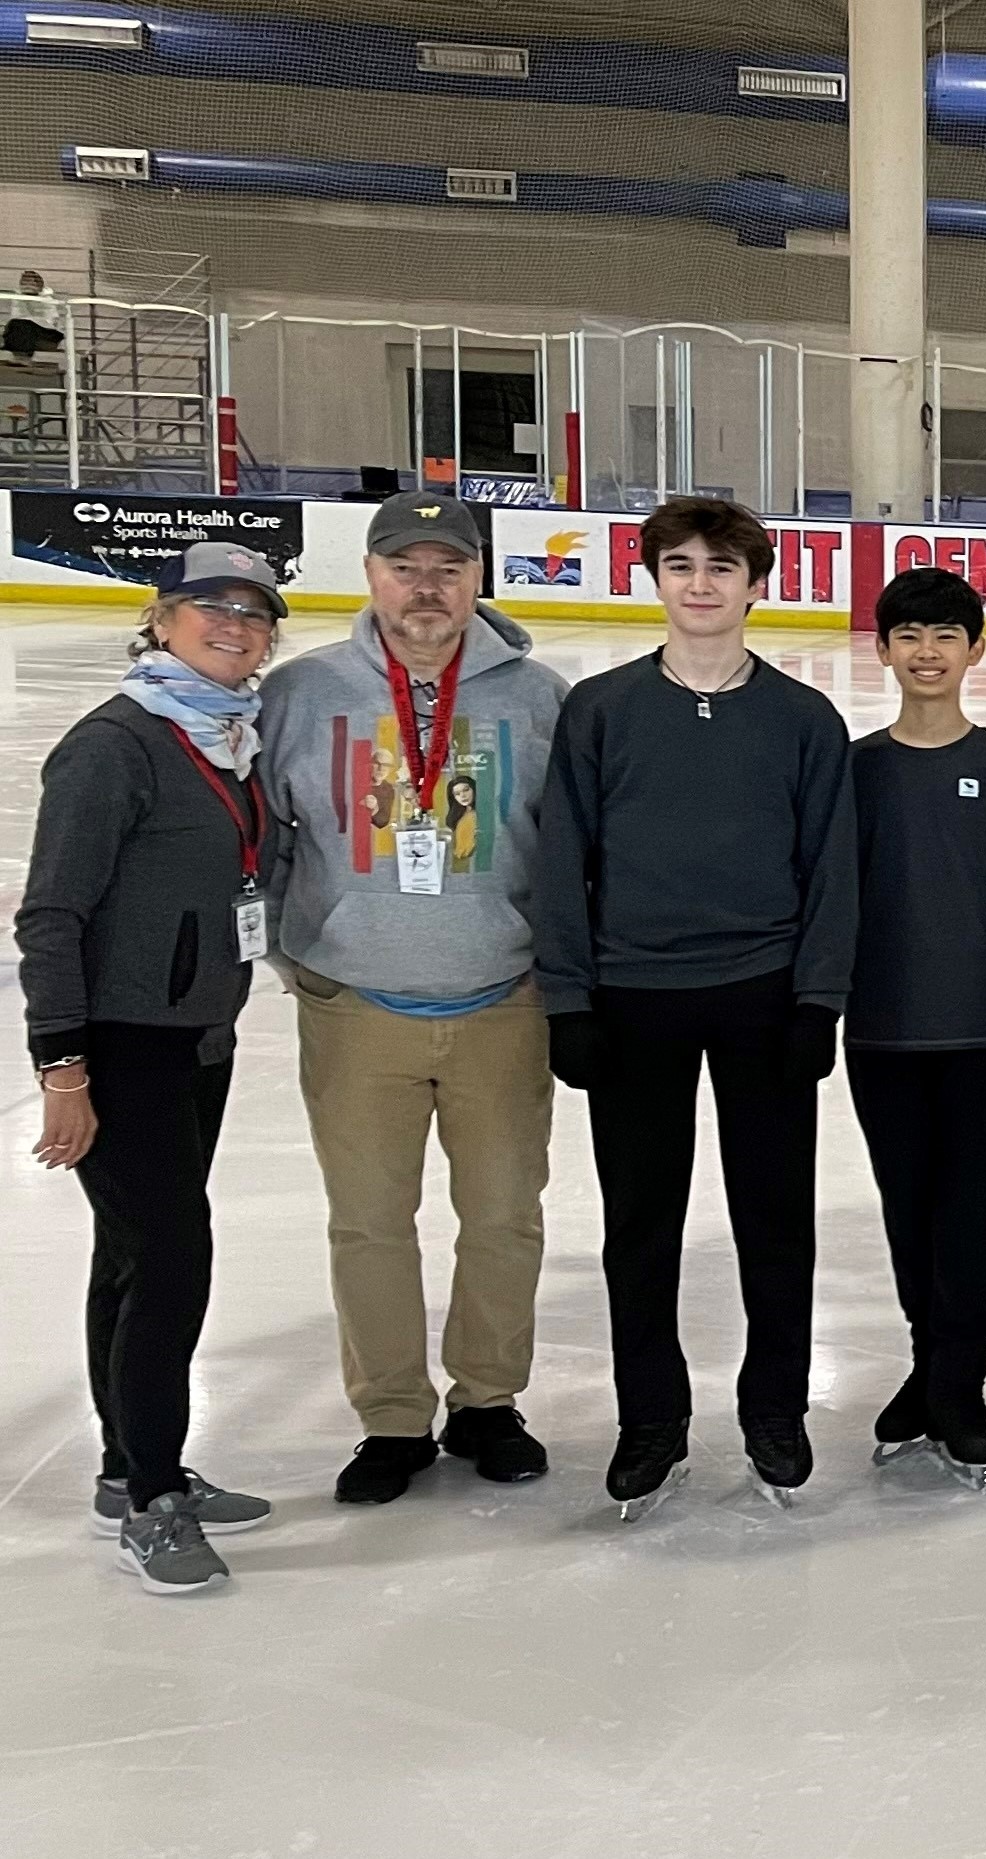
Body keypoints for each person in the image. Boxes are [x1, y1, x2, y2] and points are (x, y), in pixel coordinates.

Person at [534, 495, 860, 1517]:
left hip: (761, 995)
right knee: (641, 1221)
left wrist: (818, 997)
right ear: (656, 580)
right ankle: (651, 1416)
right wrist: (568, 996)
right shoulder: (600, 710)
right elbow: (561, 859)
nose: (703, 583)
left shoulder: (804, 720)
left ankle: (775, 1406)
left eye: (723, 566)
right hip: (634, 997)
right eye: (681, 565)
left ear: (757, 583)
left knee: (774, 1216)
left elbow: (832, 870)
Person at [258, 491, 571, 1504]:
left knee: (502, 1216)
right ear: (372, 573)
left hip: (501, 1001)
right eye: (405, 566)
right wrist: (303, 954)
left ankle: (486, 1400)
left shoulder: (538, 697)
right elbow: (261, 838)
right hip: (356, 1007)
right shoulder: (302, 693)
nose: (425, 587)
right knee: (369, 1222)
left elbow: (574, 851)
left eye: (448, 567)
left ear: (479, 577)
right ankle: (391, 1415)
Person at [20, 543, 288, 1592]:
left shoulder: (228, 740)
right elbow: (51, 913)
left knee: (131, 1256)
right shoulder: (116, 746)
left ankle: (125, 1463)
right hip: (122, 1045)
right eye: (211, 606)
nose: (235, 624)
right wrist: (63, 1065)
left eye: (255, 612)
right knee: (172, 1259)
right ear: (163, 618)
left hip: (195, 1037)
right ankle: (154, 1495)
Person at [845, 568, 986, 1488]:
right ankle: (930, 1362)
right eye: (909, 635)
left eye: (945, 635)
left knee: (973, 1211)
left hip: (983, 1033)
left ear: (975, 650)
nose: (927, 652)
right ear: (882, 649)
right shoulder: (855, 769)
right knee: (906, 1208)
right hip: (882, 1032)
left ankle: (957, 1381)